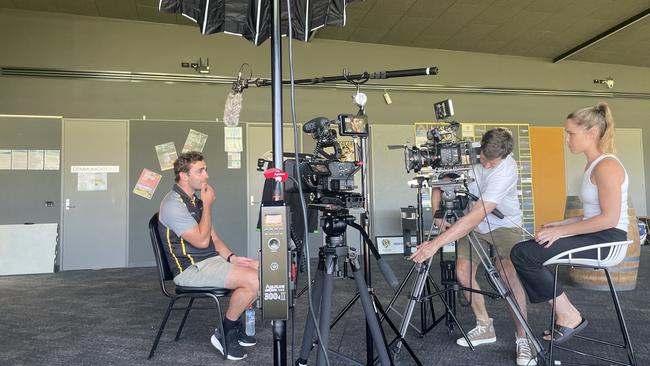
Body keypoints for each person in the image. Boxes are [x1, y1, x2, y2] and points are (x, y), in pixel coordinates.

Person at [410, 128, 535, 366]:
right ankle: (484, 325)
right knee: (462, 272)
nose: (485, 165)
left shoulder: (506, 170)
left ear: (504, 157)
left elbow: (478, 215)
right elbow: (441, 179)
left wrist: (435, 244)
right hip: (470, 224)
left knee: (507, 274)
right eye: (483, 160)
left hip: (502, 226)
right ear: (481, 149)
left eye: (491, 163)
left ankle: (523, 337)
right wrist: (437, 215)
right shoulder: (465, 154)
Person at [511, 102, 627, 344]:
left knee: (524, 254)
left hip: (608, 240)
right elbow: (591, 215)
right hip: (599, 233)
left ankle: (569, 315)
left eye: (571, 133)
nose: (566, 139)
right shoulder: (592, 165)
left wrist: (563, 231)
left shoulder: (606, 166)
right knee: (527, 250)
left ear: (591, 133)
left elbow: (609, 218)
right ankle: (566, 313)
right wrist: (560, 224)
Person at [158, 151, 259, 360]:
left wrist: (232, 258)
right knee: (254, 280)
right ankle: (225, 331)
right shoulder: (173, 204)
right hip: (190, 269)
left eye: (205, 169)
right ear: (184, 176)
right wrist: (209, 205)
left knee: (261, 269)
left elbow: (214, 238)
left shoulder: (194, 201)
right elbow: (202, 241)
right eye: (200, 171)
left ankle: (234, 324)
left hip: (209, 262)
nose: (206, 175)